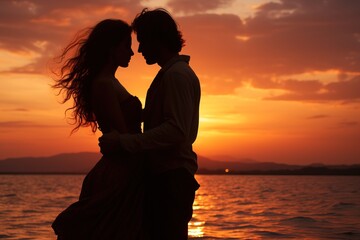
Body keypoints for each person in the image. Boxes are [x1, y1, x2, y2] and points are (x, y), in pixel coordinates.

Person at [99, 8, 201, 240]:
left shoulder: (176, 76)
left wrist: (123, 142)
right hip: (167, 178)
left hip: (171, 179)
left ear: (157, 39)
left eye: (143, 41)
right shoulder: (172, 74)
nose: (140, 49)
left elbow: (176, 130)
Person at [51, 19, 145, 239]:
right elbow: (123, 135)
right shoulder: (103, 84)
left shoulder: (110, 81)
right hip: (120, 171)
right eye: (126, 46)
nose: (131, 53)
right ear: (111, 48)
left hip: (125, 165)